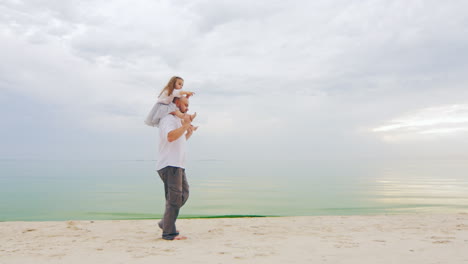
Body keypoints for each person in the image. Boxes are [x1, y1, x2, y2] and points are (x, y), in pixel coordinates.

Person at [156, 95, 196, 240]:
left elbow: (178, 142)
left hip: (177, 165)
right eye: (185, 104)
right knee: (174, 200)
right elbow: (170, 137)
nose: (188, 108)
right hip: (169, 165)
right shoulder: (168, 119)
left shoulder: (177, 121)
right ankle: (168, 233)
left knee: (184, 194)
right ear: (177, 103)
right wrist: (185, 125)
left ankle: (165, 222)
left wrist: (188, 133)